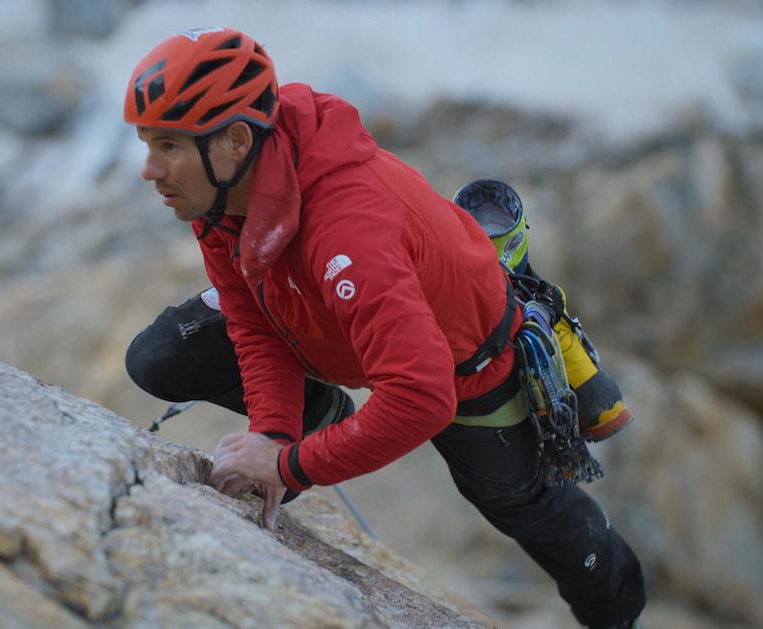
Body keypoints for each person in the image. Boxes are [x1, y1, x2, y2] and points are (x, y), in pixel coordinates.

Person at [122, 27, 645, 628]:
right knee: (160, 355)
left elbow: (422, 397)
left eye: (167, 146)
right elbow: (253, 321)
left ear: (235, 140)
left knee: (522, 505)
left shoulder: (345, 229)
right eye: (146, 144)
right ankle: (321, 415)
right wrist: (274, 434)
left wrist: (291, 467)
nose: (149, 169)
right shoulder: (218, 195)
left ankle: (619, 609)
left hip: (465, 361)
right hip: (334, 323)